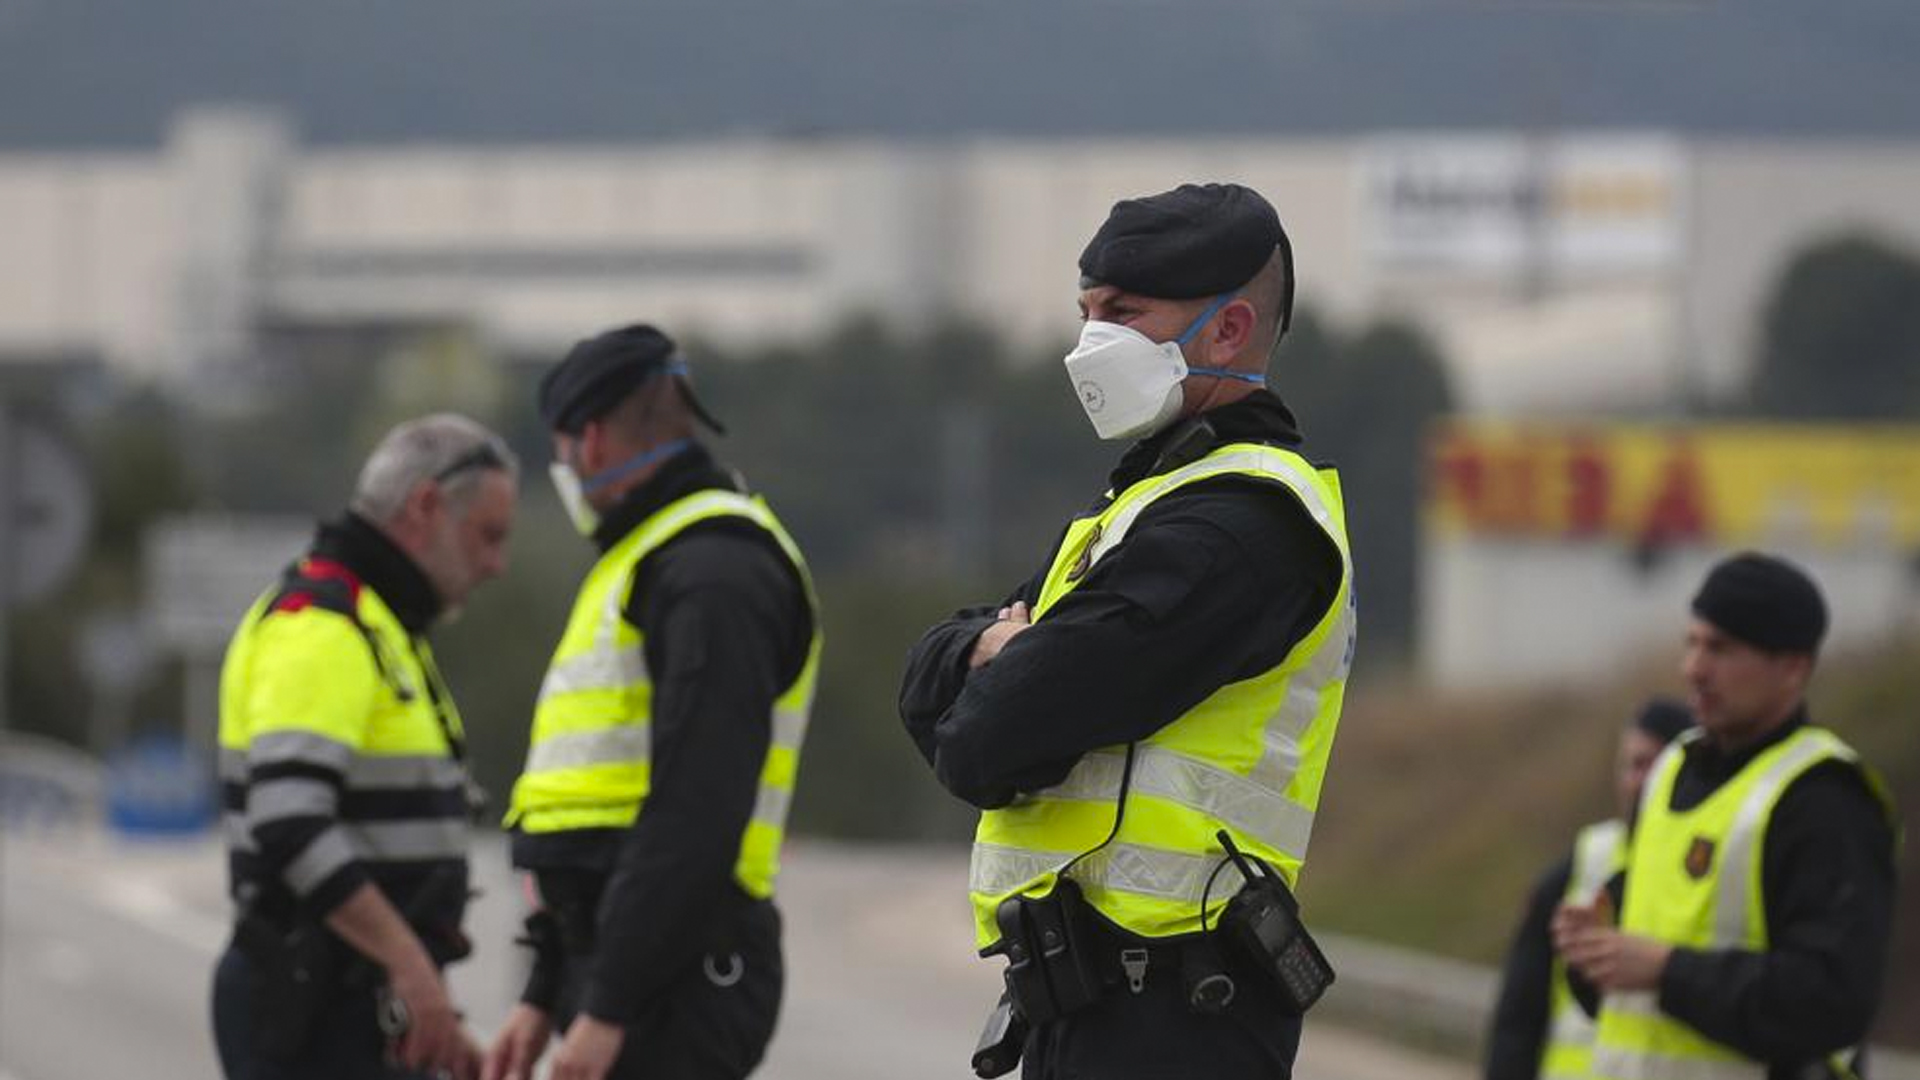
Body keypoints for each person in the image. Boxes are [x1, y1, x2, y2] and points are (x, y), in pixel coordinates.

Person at [899, 182, 1356, 1080]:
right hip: (1097, 1007)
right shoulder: (1146, 507)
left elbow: (988, 741)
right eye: (1085, 313)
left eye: (1122, 313)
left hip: (1177, 1012)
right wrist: (985, 649)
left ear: (1227, 332)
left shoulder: (1239, 528)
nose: (1090, 342)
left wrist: (1002, 661)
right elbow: (929, 681)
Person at [484, 324, 819, 1080]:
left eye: (562, 449)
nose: (564, 467)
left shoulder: (713, 571)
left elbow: (696, 809)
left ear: (592, 440)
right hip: (620, 961)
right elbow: (588, 812)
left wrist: (608, 1007)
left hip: (677, 977)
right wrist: (546, 990)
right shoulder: (647, 559)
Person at [212, 413, 519, 1080]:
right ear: (427, 507)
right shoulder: (323, 625)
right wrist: (413, 971)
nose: (496, 565)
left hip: (353, 1002)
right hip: (315, 1007)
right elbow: (290, 821)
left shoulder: (381, 624)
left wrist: (430, 1008)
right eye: (487, 537)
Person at [1553, 552, 1898, 1080]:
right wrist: (1592, 950)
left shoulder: (1823, 800)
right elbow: (1631, 988)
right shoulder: (1672, 770)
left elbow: (1829, 1000)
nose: (1693, 668)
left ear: (1792, 668)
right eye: (1691, 643)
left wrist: (1666, 971)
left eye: (1721, 648)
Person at [1484, 697, 1693, 1080]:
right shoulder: (1577, 869)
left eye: (1654, 764)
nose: (1639, 780)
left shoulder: (1707, 870)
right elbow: (1518, 1018)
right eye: (1632, 765)